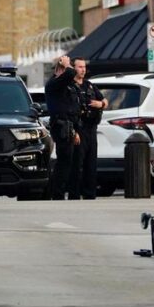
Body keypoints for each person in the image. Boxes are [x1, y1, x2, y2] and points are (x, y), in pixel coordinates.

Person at [68, 58, 108, 200]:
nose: (83, 70)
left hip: (92, 128)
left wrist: (100, 104)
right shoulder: (69, 87)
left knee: (91, 163)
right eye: (80, 67)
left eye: (84, 67)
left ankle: (90, 194)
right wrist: (74, 132)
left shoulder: (90, 86)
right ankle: (74, 194)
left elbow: (105, 101)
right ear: (73, 68)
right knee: (77, 164)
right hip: (79, 128)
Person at [44, 55, 80, 200]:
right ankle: (56, 193)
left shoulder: (65, 85)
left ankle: (59, 191)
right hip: (60, 126)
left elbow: (72, 107)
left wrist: (75, 130)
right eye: (67, 67)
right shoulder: (54, 83)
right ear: (61, 69)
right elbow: (71, 74)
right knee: (63, 161)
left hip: (69, 126)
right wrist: (67, 65)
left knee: (67, 161)